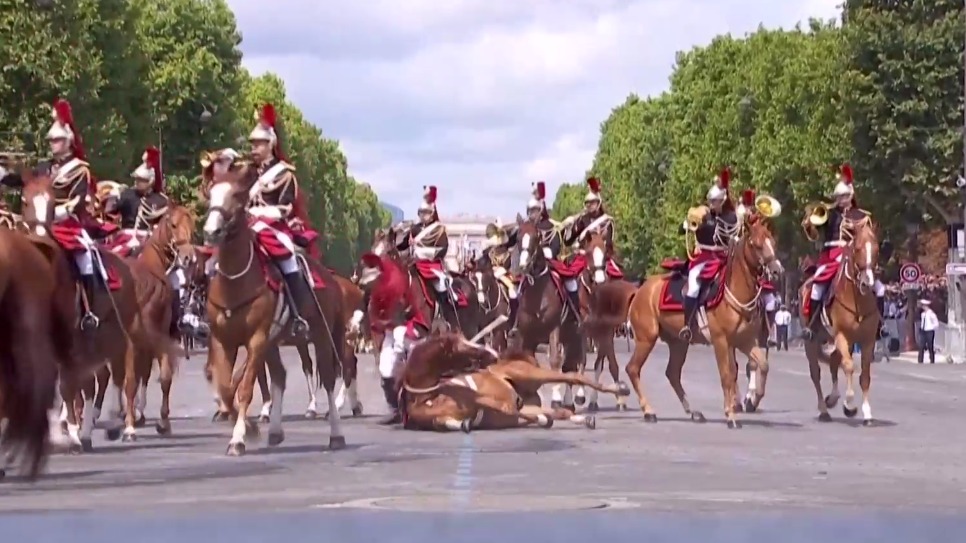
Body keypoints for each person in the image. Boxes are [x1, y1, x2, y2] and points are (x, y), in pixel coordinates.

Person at [246, 103, 314, 337]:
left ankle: (298, 316)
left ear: (271, 144)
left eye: (258, 144)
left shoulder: (284, 175)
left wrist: (257, 216)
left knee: (288, 263)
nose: (253, 148)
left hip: (273, 227)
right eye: (252, 144)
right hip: (246, 225)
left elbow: (285, 208)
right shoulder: (247, 173)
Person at [803, 164, 887, 339]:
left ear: (851, 195)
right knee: (817, 287)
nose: (841, 200)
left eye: (845, 196)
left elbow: (868, 241)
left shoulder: (863, 216)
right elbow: (814, 235)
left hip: (855, 256)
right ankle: (812, 325)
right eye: (839, 197)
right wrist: (809, 224)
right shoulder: (829, 214)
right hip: (831, 255)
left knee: (879, 288)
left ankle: (879, 324)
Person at [680, 168, 738, 340]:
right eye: (711, 201)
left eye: (716, 201)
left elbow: (729, 229)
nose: (712, 205)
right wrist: (690, 222)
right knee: (693, 288)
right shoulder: (703, 214)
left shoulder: (730, 217)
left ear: (723, 200)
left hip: (724, 257)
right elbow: (683, 229)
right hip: (703, 258)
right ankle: (687, 325)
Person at [395, 186, 452, 310]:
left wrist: (423, 253)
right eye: (421, 212)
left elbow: (443, 249)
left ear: (432, 214)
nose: (423, 215)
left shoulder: (439, 229)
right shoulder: (414, 228)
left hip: (431, 264)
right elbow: (403, 244)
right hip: (414, 263)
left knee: (440, 285)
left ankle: (443, 310)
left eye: (425, 213)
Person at [106, 146, 169, 257]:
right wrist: (111, 199)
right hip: (126, 238)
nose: (137, 182)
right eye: (136, 179)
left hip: (150, 242)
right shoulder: (127, 195)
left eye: (141, 180)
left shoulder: (161, 200)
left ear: (151, 181)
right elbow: (109, 214)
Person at [480, 218, 518, 330]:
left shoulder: (505, 250)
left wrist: (500, 271)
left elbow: (507, 264)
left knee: (513, 292)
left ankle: (514, 318)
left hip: (505, 274)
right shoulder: (488, 251)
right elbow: (484, 262)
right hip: (491, 274)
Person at [918, 299, 939, 364]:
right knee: (921, 346)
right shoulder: (923, 314)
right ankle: (920, 360)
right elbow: (922, 323)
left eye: (923, 306)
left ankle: (932, 360)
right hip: (923, 331)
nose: (922, 307)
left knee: (930, 346)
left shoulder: (931, 313)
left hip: (929, 331)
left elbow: (936, 323)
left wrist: (932, 327)